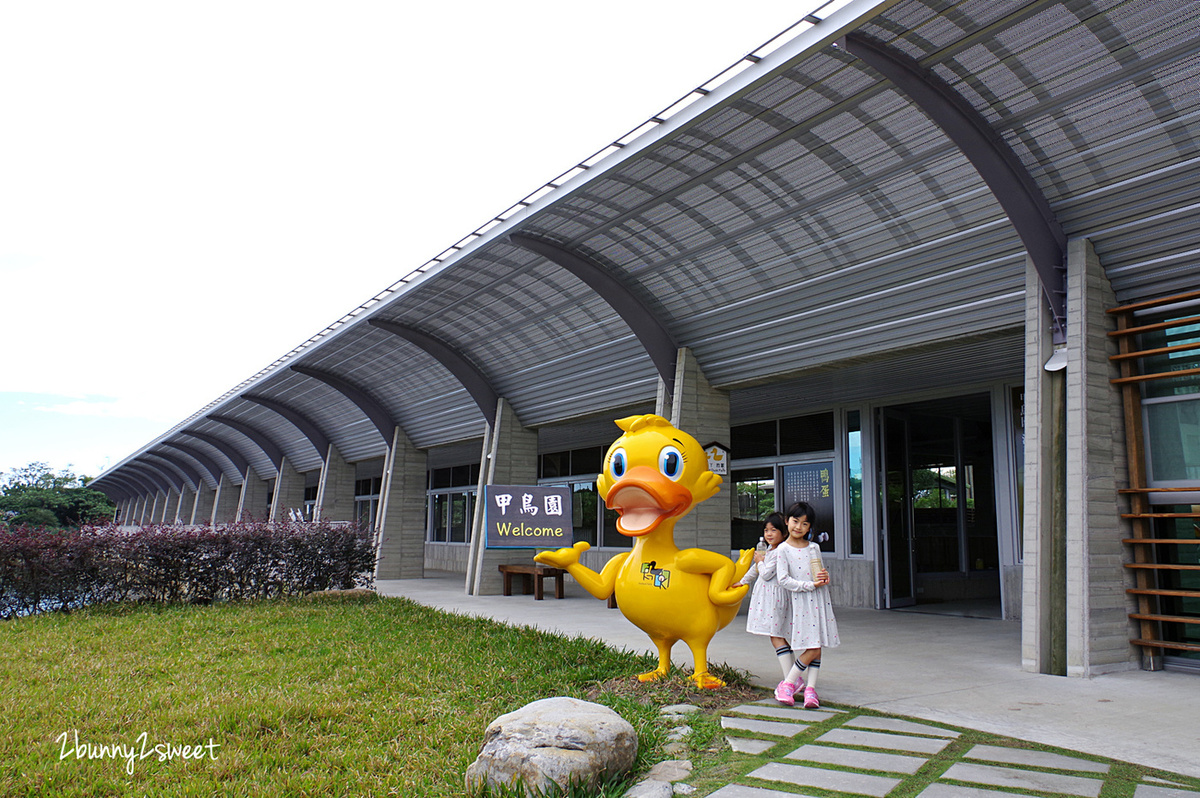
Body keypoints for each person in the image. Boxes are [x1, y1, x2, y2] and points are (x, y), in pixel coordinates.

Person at [773, 501, 840, 709]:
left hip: (820, 599)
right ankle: (788, 683)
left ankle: (810, 689)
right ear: (787, 522)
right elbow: (783, 579)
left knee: (817, 645)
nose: (798, 527)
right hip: (801, 600)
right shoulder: (783, 549)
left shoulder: (814, 548)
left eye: (804, 524)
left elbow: (818, 572)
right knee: (812, 647)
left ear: (810, 527)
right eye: (795, 521)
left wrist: (823, 577)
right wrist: (808, 585)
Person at [734, 512, 794, 678]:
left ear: (784, 532)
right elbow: (756, 569)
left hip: (774, 598)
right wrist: (743, 581)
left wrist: (760, 560)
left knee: (776, 636)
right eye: (766, 530)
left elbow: (766, 573)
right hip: (768, 597)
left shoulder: (781, 551)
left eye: (773, 530)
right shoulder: (769, 549)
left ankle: (790, 679)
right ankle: (792, 676)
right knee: (778, 636)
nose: (769, 534)